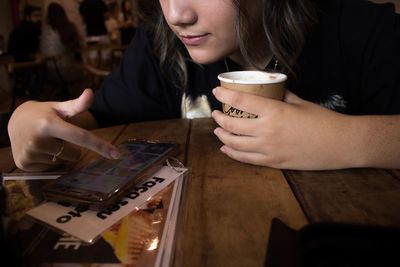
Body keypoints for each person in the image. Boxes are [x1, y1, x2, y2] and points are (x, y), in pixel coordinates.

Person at [7, 0, 400, 172]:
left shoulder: (364, 31)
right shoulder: (159, 44)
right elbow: (95, 122)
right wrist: (33, 121)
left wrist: (346, 139)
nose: (178, 15)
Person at [40, 2, 85, 94]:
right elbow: (78, 46)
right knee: (84, 72)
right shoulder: (67, 28)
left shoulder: (45, 30)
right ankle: (78, 101)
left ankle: (67, 96)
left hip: (47, 71)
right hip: (64, 69)